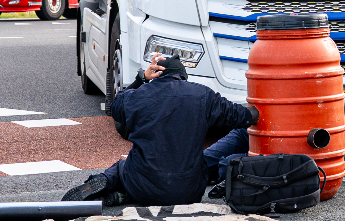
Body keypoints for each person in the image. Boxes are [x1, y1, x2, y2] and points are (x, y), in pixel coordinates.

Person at [64, 53, 258, 207]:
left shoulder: (136, 97)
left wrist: (141, 78)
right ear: (182, 77)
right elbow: (243, 116)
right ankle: (122, 196)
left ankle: (105, 182)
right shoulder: (202, 95)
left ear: (157, 75)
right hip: (190, 191)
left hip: (143, 186)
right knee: (198, 164)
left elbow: (115, 107)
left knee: (121, 167)